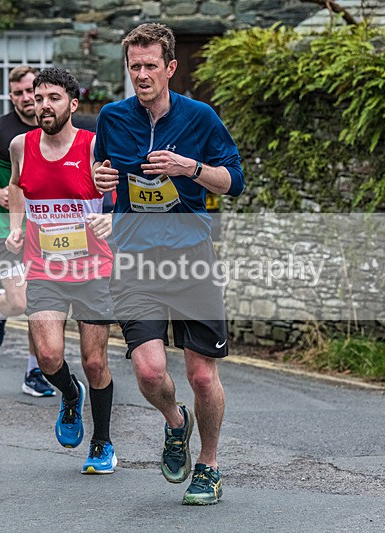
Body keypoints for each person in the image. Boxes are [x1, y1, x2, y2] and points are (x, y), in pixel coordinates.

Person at [93, 23, 244, 504]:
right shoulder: (113, 119)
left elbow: (233, 182)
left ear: (170, 68)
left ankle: (209, 466)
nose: (141, 74)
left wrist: (188, 168)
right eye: (133, 66)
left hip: (191, 261)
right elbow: (104, 176)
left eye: (149, 66)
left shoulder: (200, 118)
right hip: (136, 262)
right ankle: (176, 423)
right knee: (151, 371)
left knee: (202, 375)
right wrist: (100, 181)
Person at [6, 67, 118, 474]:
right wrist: (17, 226)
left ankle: (102, 443)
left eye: (53, 98)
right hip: (43, 268)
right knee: (50, 357)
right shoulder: (21, 145)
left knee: (94, 362)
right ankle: (71, 397)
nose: (44, 106)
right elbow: (17, 187)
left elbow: (117, 196)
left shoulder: (92, 147)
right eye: (39, 99)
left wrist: (111, 220)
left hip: (92, 268)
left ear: (72, 105)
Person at [0, 65, 55, 398]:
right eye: (18, 93)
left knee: (38, 303)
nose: (26, 98)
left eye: (31, 90)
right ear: (11, 96)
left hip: (47, 230)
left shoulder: (52, 125)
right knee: (20, 301)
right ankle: (0, 309)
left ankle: (34, 371)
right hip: (8, 229)